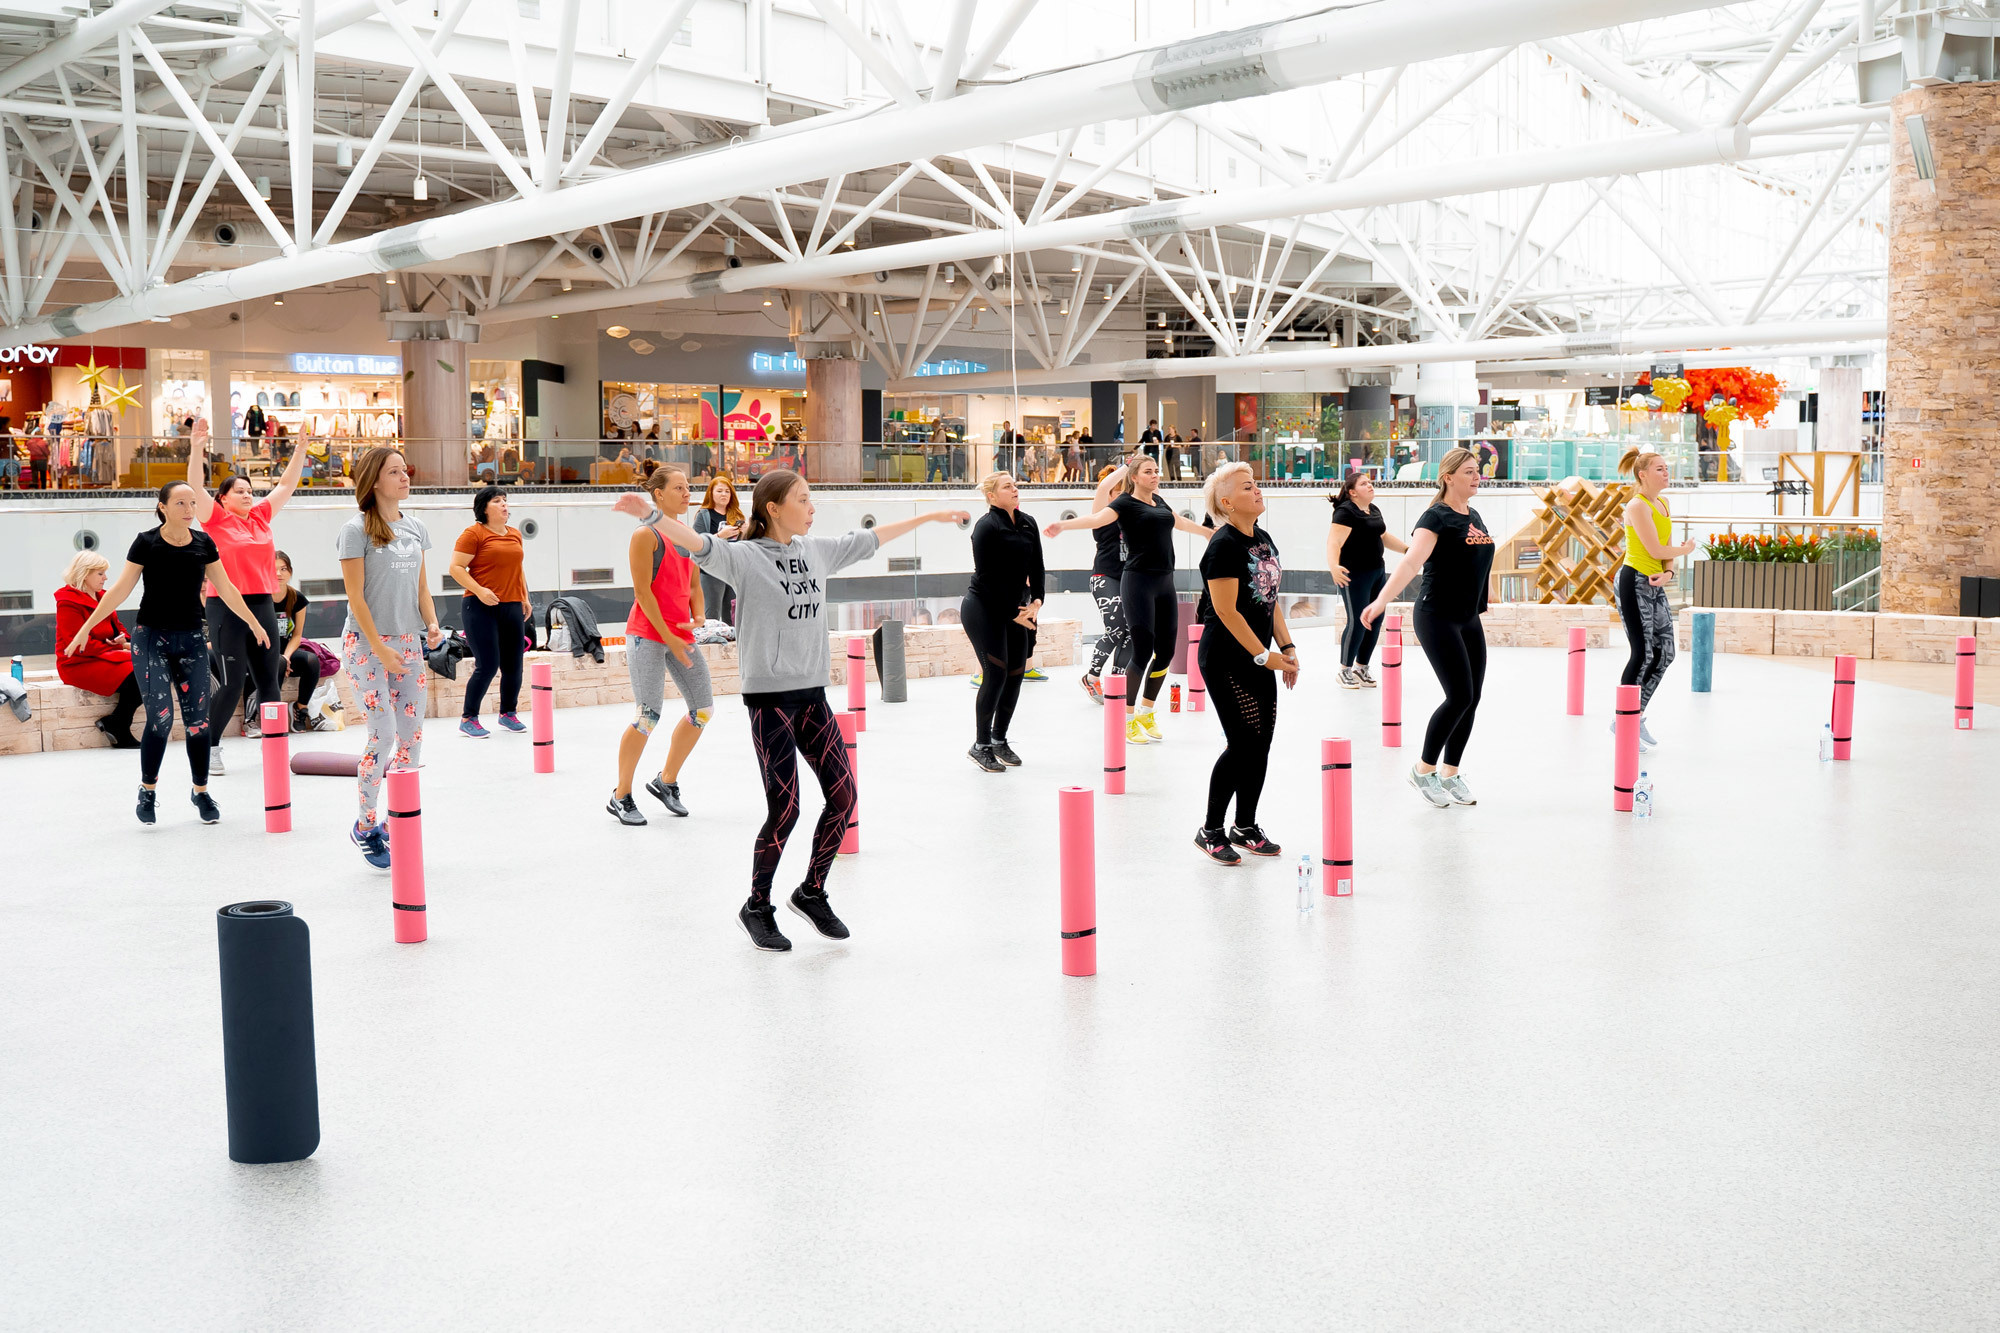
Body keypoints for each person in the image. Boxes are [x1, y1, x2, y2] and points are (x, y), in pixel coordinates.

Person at [615, 470, 967, 952]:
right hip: (770, 701)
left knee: (843, 798)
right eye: (803, 499)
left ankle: (811, 892)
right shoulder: (743, 558)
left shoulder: (815, 551)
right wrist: (651, 515)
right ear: (774, 508)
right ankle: (757, 906)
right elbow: (696, 542)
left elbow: (868, 539)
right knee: (786, 809)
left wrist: (930, 515)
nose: (812, 507)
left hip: (813, 697)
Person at [65, 481, 269, 824]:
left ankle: (201, 791)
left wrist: (253, 622)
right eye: (180, 503)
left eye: (192, 503)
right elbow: (119, 590)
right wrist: (85, 628)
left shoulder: (204, 542)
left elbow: (228, 588)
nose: (189, 510)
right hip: (151, 640)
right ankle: (148, 790)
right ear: (162, 507)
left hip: (190, 639)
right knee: (160, 720)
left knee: (198, 724)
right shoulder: (147, 542)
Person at [1044, 453, 1216, 745]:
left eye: (1156, 471)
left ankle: (1147, 711)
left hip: (1164, 582)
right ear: (1134, 477)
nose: (1155, 475)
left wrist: (1206, 533)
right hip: (1137, 582)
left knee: (1164, 652)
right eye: (1148, 471)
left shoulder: (1159, 502)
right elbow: (1097, 518)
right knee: (1141, 651)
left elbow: (1176, 522)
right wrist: (1064, 526)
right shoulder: (1124, 503)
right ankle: (1127, 718)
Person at [1362, 448, 1494, 809]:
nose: (1476, 476)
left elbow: (1479, 559)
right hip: (1437, 616)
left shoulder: (1475, 515)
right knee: (1460, 696)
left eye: (1477, 470)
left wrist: (1488, 593)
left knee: (1473, 698)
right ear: (1448, 477)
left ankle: (1450, 774)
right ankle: (1423, 770)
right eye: (1469, 472)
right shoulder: (1435, 517)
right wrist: (1381, 602)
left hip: (1468, 617)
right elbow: (1409, 564)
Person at [338, 447, 445, 870]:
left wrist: (432, 624)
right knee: (381, 734)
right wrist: (380, 647)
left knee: (412, 739)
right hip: (365, 644)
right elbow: (355, 597)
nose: (405, 477)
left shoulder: (416, 527)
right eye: (395, 471)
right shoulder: (356, 530)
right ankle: (365, 825)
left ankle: (395, 821)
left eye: (405, 470)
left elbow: (422, 589)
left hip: (407, 641)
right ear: (375, 480)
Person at [186, 418, 306, 774]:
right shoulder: (215, 519)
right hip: (225, 606)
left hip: (262, 604)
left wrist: (299, 448)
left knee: (270, 678)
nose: (247, 494)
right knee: (233, 681)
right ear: (222, 497)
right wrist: (196, 448)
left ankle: (274, 745)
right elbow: (194, 485)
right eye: (239, 490)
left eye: (249, 489)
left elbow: (286, 484)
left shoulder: (261, 517)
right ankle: (211, 747)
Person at [1194, 463, 1298, 864]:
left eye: (1256, 485)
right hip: (1225, 657)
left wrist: (1286, 648)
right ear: (1226, 502)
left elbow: (1269, 600)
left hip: (1261, 656)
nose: (1257, 491)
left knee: (1260, 745)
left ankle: (1246, 826)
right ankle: (1211, 830)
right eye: (1247, 487)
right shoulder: (1222, 546)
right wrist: (1264, 655)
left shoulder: (1263, 539)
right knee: (1241, 744)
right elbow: (1225, 612)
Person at [608, 465, 714, 826]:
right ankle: (620, 794)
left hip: (679, 633)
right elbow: (642, 592)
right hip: (647, 634)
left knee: (702, 710)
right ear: (658, 495)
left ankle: (665, 781)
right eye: (680, 488)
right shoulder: (645, 535)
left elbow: (695, 585)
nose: (688, 493)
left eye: (689, 487)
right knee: (647, 715)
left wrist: (698, 615)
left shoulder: (688, 535)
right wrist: (667, 635)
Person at [1616, 446, 1698, 749]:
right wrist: (1685, 551)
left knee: (1666, 653)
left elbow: (1665, 551)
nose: (1667, 473)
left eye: (1667, 468)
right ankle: (1624, 719)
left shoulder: (1662, 504)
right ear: (1643, 474)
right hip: (1634, 581)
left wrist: (1670, 573)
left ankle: (1635, 716)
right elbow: (1655, 550)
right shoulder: (1637, 506)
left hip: (1655, 585)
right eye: (1660, 469)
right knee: (1643, 653)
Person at [962, 472, 1044, 772]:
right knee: (995, 673)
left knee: (1016, 672)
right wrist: (1014, 611)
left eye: (1015, 485)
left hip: (1019, 609)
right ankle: (980, 745)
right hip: (985, 607)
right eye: (1007, 486)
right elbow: (987, 578)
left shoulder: (1028, 522)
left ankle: (999, 739)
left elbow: (1037, 565)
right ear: (992, 496)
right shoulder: (986, 527)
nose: (1015, 489)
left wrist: (1037, 601)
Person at [449, 486, 533, 738]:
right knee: (487, 665)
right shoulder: (473, 534)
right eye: (497, 501)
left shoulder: (515, 534)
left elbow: (517, 568)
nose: (504, 505)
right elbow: (456, 568)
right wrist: (480, 590)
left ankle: (508, 713)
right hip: (479, 606)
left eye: (505, 500)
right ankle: (469, 718)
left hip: (511, 605)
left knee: (514, 664)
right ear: (484, 507)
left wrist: (524, 597)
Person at [1326, 471, 1408, 689]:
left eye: (1370, 482)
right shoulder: (1345, 512)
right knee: (1358, 621)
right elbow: (1334, 543)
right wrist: (1333, 567)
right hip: (1354, 575)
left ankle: (1361, 667)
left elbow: (1384, 536)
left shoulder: (1373, 510)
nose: (1370, 486)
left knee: (1375, 620)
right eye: (1364, 484)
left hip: (1377, 572)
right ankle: (1344, 669)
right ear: (1352, 492)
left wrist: (1407, 550)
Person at [54, 551, 142, 748]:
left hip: (103, 655)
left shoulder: (103, 596)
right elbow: (77, 645)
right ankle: (119, 724)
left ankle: (117, 722)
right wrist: (118, 650)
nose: (106, 578)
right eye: (100, 573)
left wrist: (123, 639)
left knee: (148, 669)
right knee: (138, 673)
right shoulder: (68, 601)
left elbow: (117, 627)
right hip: (78, 663)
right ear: (85, 574)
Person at [1079, 462, 1131, 704]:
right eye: (1117, 492)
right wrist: (1127, 467)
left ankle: (1117, 682)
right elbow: (1103, 487)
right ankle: (1091, 677)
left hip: (1130, 579)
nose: (1122, 496)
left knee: (1131, 633)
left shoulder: (1132, 513)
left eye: (1125, 492)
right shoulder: (1102, 513)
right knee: (1116, 627)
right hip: (1104, 577)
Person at [272, 552, 323, 736]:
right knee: (277, 663)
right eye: (274, 568)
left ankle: (300, 709)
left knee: (311, 661)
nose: (279, 573)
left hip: (287, 651)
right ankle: (273, 718)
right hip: (264, 652)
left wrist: (286, 657)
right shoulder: (260, 598)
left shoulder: (297, 598)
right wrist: (281, 659)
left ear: (290, 571)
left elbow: (297, 635)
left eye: (283, 569)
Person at [689, 473, 743, 626]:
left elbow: (744, 546)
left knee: (732, 614)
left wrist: (746, 531)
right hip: (711, 571)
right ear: (711, 494)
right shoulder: (703, 515)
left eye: (727, 491)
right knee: (711, 613)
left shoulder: (736, 515)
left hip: (731, 570)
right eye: (719, 491)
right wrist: (720, 535)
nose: (724, 494)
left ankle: (732, 646)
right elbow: (697, 544)